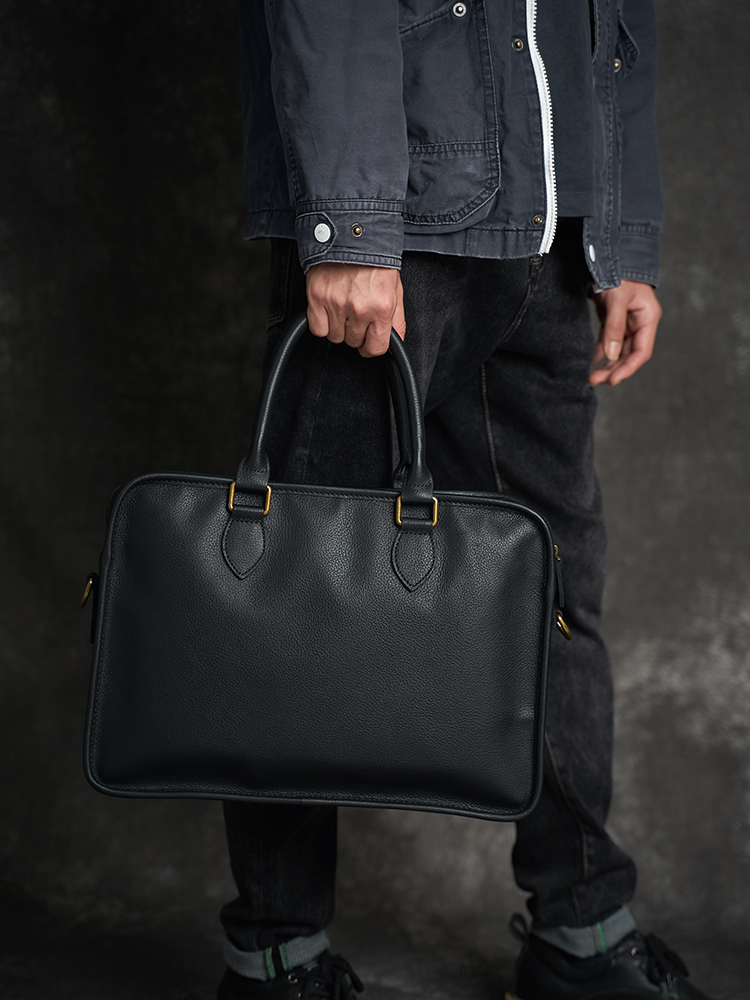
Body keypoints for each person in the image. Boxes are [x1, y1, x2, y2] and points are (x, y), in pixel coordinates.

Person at [217, 2, 714, 999]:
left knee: (556, 594)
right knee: (299, 597)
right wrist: (350, 223)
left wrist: (622, 234)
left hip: (554, 232)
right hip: (396, 218)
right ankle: (276, 954)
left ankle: (581, 932)